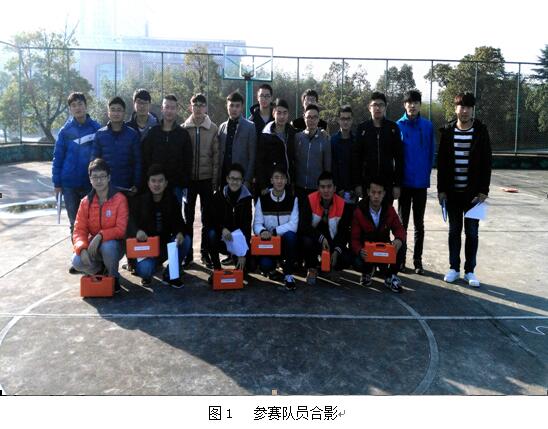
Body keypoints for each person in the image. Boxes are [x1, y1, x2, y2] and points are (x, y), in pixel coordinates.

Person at [438, 92, 492, 288]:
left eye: (469, 107)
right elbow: (442, 164)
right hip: (453, 193)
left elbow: (487, 162)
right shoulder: (447, 131)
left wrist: (484, 190)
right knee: (454, 232)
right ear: (456, 109)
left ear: (472, 110)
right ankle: (454, 268)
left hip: (473, 196)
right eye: (462, 106)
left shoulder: (481, 131)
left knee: (472, 233)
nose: (465, 110)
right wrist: (441, 190)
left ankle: (470, 271)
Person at [52, 92, 101, 273]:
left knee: (93, 223)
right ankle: (79, 257)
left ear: (86, 106)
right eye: (73, 105)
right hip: (69, 185)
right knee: (75, 223)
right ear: (70, 109)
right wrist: (57, 183)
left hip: (90, 184)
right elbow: (58, 158)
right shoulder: (65, 132)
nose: (77, 108)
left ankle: (95, 259)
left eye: (80, 104)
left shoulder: (96, 128)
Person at [127, 164, 191, 287]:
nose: (157, 184)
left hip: (164, 246)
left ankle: (170, 274)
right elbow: (130, 223)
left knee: (186, 240)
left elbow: (179, 221)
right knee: (146, 270)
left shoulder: (171, 199)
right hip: (146, 248)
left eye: (160, 181)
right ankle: (150, 268)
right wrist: (137, 231)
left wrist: (179, 232)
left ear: (166, 183)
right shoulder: (139, 200)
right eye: (153, 181)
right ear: (148, 183)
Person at [71, 158, 128, 293]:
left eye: (102, 176)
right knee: (76, 261)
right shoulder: (85, 202)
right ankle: (99, 271)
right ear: (90, 179)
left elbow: (121, 229)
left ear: (109, 178)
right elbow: (79, 230)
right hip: (94, 247)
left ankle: (113, 277)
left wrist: (101, 236)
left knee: (108, 246)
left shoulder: (120, 199)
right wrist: (82, 248)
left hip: (115, 246)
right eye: (95, 177)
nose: (99, 180)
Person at [396, 89, 435, 275]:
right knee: (402, 224)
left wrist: (426, 174)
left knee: (419, 224)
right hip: (404, 184)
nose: (412, 105)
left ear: (420, 105)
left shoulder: (427, 126)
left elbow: (431, 153)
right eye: (409, 102)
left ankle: (417, 261)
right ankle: (400, 259)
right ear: (404, 105)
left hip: (420, 184)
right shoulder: (398, 126)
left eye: (416, 102)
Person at [180, 93, 220, 268]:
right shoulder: (184, 128)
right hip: (189, 181)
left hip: (206, 180)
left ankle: (205, 253)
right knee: (188, 219)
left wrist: (215, 180)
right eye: (195, 105)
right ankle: (188, 254)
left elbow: (216, 157)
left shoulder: (213, 128)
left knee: (207, 219)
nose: (198, 108)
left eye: (201, 105)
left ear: (206, 108)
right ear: (191, 107)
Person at [351, 178, 406, 292]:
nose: (376, 196)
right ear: (368, 192)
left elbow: (399, 229)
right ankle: (366, 272)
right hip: (367, 253)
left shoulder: (389, 209)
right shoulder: (359, 211)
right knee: (356, 261)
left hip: (383, 251)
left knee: (402, 244)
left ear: (384, 194)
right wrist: (359, 250)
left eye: (379, 193)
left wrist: (398, 239)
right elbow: (354, 239)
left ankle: (390, 276)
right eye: (373, 192)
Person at [299, 171, 353, 285]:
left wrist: (337, 251)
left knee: (347, 257)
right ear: (318, 188)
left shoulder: (342, 204)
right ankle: (312, 268)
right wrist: (321, 238)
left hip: (332, 241)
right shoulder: (310, 199)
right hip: (316, 239)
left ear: (334, 188)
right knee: (305, 241)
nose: (326, 190)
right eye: (323, 187)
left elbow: (344, 232)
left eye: (329, 186)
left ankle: (334, 268)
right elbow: (303, 226)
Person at [352, 91, 403, 205]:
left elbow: (399, 158)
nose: (378, 108)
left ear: (385, 107)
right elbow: (356, 158)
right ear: (369, 107)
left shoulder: (393, 128)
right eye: (375, 105)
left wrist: (397, 185)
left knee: (386, 214)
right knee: (367, 214)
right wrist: (357, 184)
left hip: (387, 184)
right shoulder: (362, 128)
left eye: (381, 105)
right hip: (367, 183)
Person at [142, 94, 193, 205]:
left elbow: (188, 160)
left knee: (174, 215)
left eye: (173, 108)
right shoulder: (153, 132)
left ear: (177, 110)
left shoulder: (183, 134)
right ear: (162, 109)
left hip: (176, 186)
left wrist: (183, 181)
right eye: (167, 107)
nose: (169, 111)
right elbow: (146, 157)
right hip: (155, 185)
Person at [253, 168, 299, 290]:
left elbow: (294, 225)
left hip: (284, 242)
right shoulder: (262, 199)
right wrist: (262, 231)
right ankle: (272, 268)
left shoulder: (292, 199)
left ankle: (288, 274)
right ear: (271, 180)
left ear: (286, 181)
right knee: (265, 265)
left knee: (291, 236)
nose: (279, 181)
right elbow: (256, 224)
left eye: (282, 178)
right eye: (276, 178)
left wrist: (274, 231)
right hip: (269, 242)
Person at [206, 163, 253, 281]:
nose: (235, 182)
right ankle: (217, 269)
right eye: (232, 178)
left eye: (238, 179)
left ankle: (237, 259)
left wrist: (243, 252)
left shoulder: (247, 198)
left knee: (250, 266)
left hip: (238, 240)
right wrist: (222, 229)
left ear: (242, 181)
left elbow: (247, 226)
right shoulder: (219, 196)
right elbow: (210, 220)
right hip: (223, 238)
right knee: (210, 233)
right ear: (227, 179)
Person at [92, 96, 141, 194]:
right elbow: (93, 162)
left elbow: (138, 162)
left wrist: (136, 183)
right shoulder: (100, 134)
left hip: (127, 187)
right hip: (105, 188)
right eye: (113, 110)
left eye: (119, 110)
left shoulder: (133, 135)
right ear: (108, 112)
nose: (116, 113)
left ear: (124, 113)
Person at [255, 98, 296, 195]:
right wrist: (263, 185)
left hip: (287, 184)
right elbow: (260, 162)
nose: (282, 116)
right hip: (270, 186)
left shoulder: (293, 133)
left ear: (288, 114)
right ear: (273, 114)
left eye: (285, 113)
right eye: (279, 113)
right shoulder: (266, 134)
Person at [218, 91, 257, 190]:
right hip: (224, 179)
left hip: (241, 180)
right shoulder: (222, 127)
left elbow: (252, 156)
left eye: (237, 106)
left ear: (242, 107)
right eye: (231, 105)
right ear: (227, 106)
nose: (234, 109)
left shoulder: (250, 127)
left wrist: (247, 180)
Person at [294, 104, 331, 201]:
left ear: (318, 119)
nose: (312, 120)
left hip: (317, 189)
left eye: (315, 117)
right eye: (309, 117)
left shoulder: (325, 139)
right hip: (298, 188)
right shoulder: (297, 138)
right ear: (304, 117)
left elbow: (327, 168)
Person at [331, 105, 356, 204]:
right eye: (342, 119)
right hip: (337, 191)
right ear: (338, 120)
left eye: (348, 119)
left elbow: (358, 166)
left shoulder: (356, 141)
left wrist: (355, 187)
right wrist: (337, 187)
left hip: (353, 191)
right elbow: (332, 166)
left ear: (352, 120)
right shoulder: (332, 141)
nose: (345, 122)